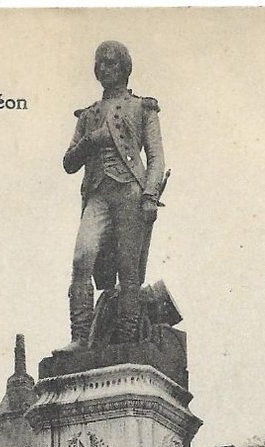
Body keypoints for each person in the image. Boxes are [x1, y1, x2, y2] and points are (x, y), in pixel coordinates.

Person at [61, 41, 165, 349]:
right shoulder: (88, 115)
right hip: (98, 194)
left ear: (124, 68)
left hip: (130, 193)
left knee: (128, 269)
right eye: (101, 63)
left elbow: (157, 157)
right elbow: (68, 163)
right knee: (82, 259)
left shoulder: (142, 107)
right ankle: (80, 338)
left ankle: (126, 340)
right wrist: (92, 140)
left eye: (112, 63)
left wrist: (149, 195)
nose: (105, 68)